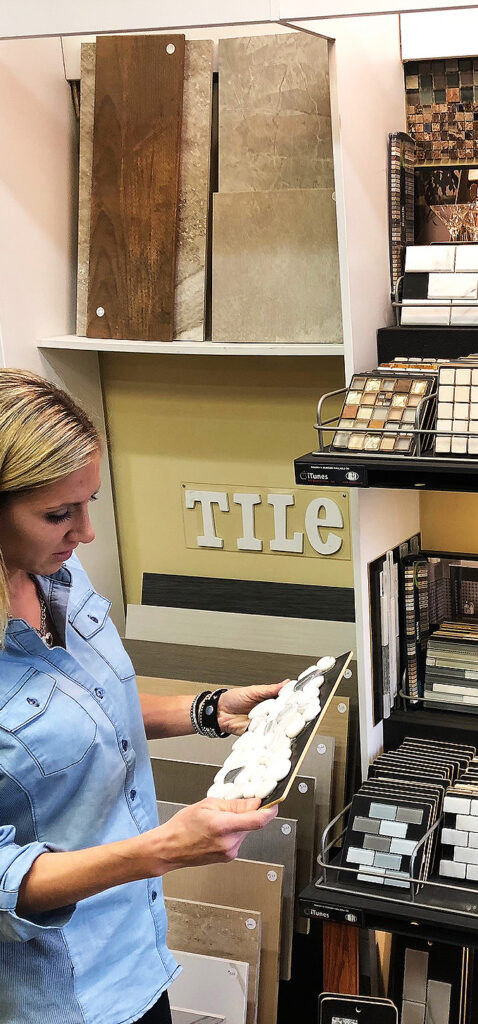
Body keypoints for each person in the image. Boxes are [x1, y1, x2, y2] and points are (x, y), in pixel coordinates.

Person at [0, 368, 286, 1024]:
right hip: (58, 995)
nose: (86, 533)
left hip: (138, 952)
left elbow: (90, 708)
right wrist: (161, 850)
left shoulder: (55, 570)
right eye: (58, 514)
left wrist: (207, 709)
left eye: (89, 502)